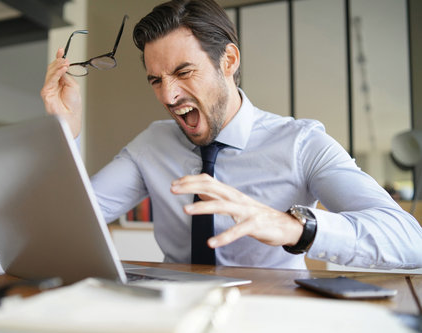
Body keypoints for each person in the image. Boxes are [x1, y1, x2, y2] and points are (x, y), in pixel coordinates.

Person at [41, 0, 422, 270]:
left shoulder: (303, 144)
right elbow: (69, 224)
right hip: (171, 316)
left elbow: (409, 241)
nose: (168, 96)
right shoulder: (151, 144)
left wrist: (294, 227)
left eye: (184, 72)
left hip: (272, 318)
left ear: (229, 61)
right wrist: (65, 131)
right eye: (156, 80)